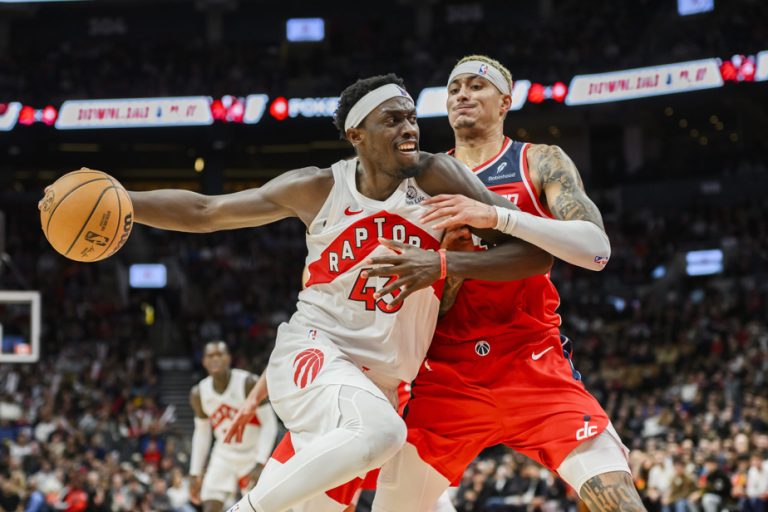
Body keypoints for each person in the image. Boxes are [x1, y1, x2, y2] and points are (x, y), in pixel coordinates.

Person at [46, 74, 551, 512]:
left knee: (370, 438)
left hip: (384, 387)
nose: (410, 129)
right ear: (357, 134)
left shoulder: (439, 177)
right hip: (315, 350)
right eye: (393, 120)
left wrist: (444, 263)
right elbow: (207, 212)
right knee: (382, 434)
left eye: (412, 118)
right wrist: (123, 200)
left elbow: (535, 254)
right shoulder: (317, 188)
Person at [363, 56, 645, 512]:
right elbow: (424, 290)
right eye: (454, 88)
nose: (462, 95)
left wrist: (496, 216)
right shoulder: (420, 182)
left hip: (532, 362)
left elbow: (596, 251)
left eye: (476, 86)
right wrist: (449, 265)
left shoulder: (540, 160)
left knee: (620, 501)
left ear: (505, 102)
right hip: (447, 376)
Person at [188, 341, 277, 512]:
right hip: (224, 454)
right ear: (204, 361)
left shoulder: (248, 382)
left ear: (228, 358)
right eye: (210, 356)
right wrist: (194, 472)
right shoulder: (198, 393)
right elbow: (202, 433)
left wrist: (260, 463)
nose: (215, 359)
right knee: (210, 506)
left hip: (252, 454)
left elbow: (269, 424)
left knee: (261, 507)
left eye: (219, 355)